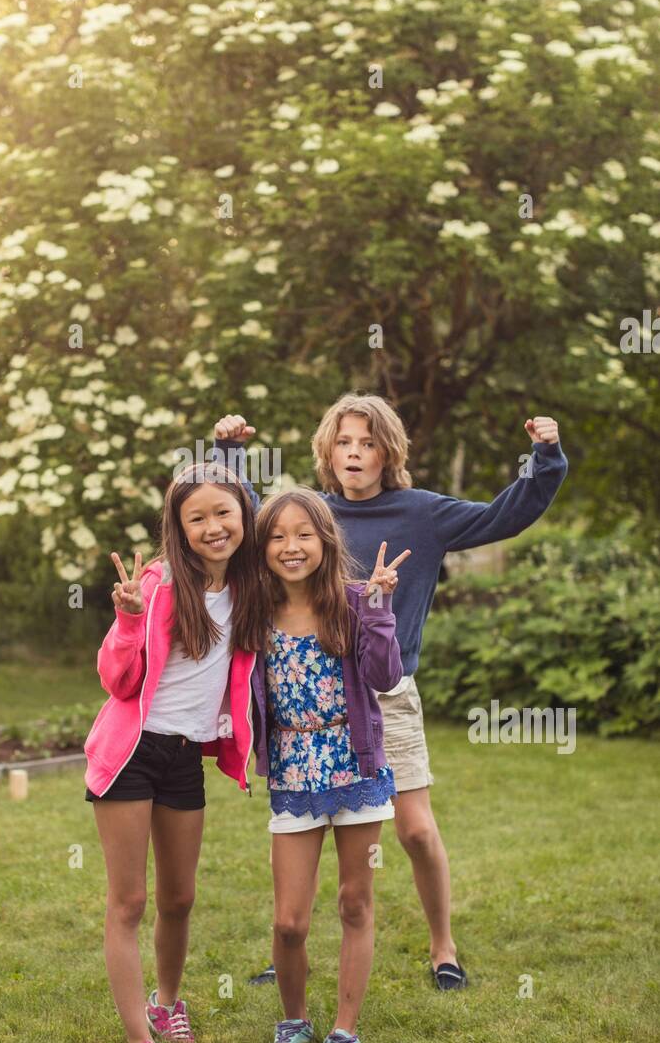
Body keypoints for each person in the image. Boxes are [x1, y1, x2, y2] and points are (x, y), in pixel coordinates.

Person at [213, 394, 568, 991]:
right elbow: (249, 524)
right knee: (308, 830)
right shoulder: (313, 514)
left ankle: (443, 945)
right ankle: (289, 948)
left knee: (415, 831)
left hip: (386, 695)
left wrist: (546, 456)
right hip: (312, 695)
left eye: (368, 443)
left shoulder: (422, 514)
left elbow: (504, 515)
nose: (355, 453)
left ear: (388, 452)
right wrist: (229, 454)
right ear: (328, 450)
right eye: (344, 442)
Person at [83, 461, 262, 1043]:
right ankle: (138, 1041)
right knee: (129, 901)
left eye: (224, 513)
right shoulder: (157, 585)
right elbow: (117, 681)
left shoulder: (250, 586)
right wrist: (129, 619)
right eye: (197, 518)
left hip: (185, 756)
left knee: (180, 898)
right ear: (178, 527)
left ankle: (166, 1002)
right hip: (132, 752)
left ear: (245, 515)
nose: (213, 527)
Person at [250, 487, 408, 1043]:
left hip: (355, 767)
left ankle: (344, 1030)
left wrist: (380, 610)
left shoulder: (352, 600)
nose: (291, 547)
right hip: (294, 772)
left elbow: (385, 677)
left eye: (304, 535)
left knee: (354, 903)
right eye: (277, 536)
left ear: (325, 541)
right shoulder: (255, 610)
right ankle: (293, 1020)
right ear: (263, 547)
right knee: (288, 921)